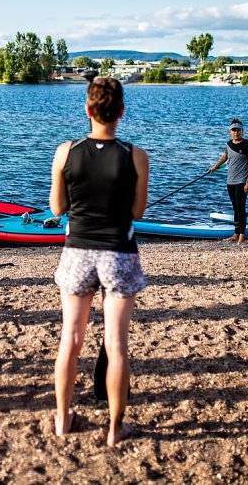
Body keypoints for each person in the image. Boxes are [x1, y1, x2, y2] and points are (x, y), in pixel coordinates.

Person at [49, 77, 149, 447]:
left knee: (70, 340)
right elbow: (137, 210)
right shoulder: (135, 155)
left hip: (77, 251)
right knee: (117, 344)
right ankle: (114, 427)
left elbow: (57, 207)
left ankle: (62, 419)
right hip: (118, 253)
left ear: (88, 110)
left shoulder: (66, 151)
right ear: (121, 111)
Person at [208, 118, 248, 244]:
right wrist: (215, 167)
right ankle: (235, 233)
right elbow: (224, 157)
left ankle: (242, 236)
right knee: (235, 208)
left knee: (241, 208)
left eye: (238, 130)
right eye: (233, 130)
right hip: (230, 181)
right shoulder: (229, 144)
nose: (236, 132)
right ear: (230, 131)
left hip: (242, 182)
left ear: (242, 130)